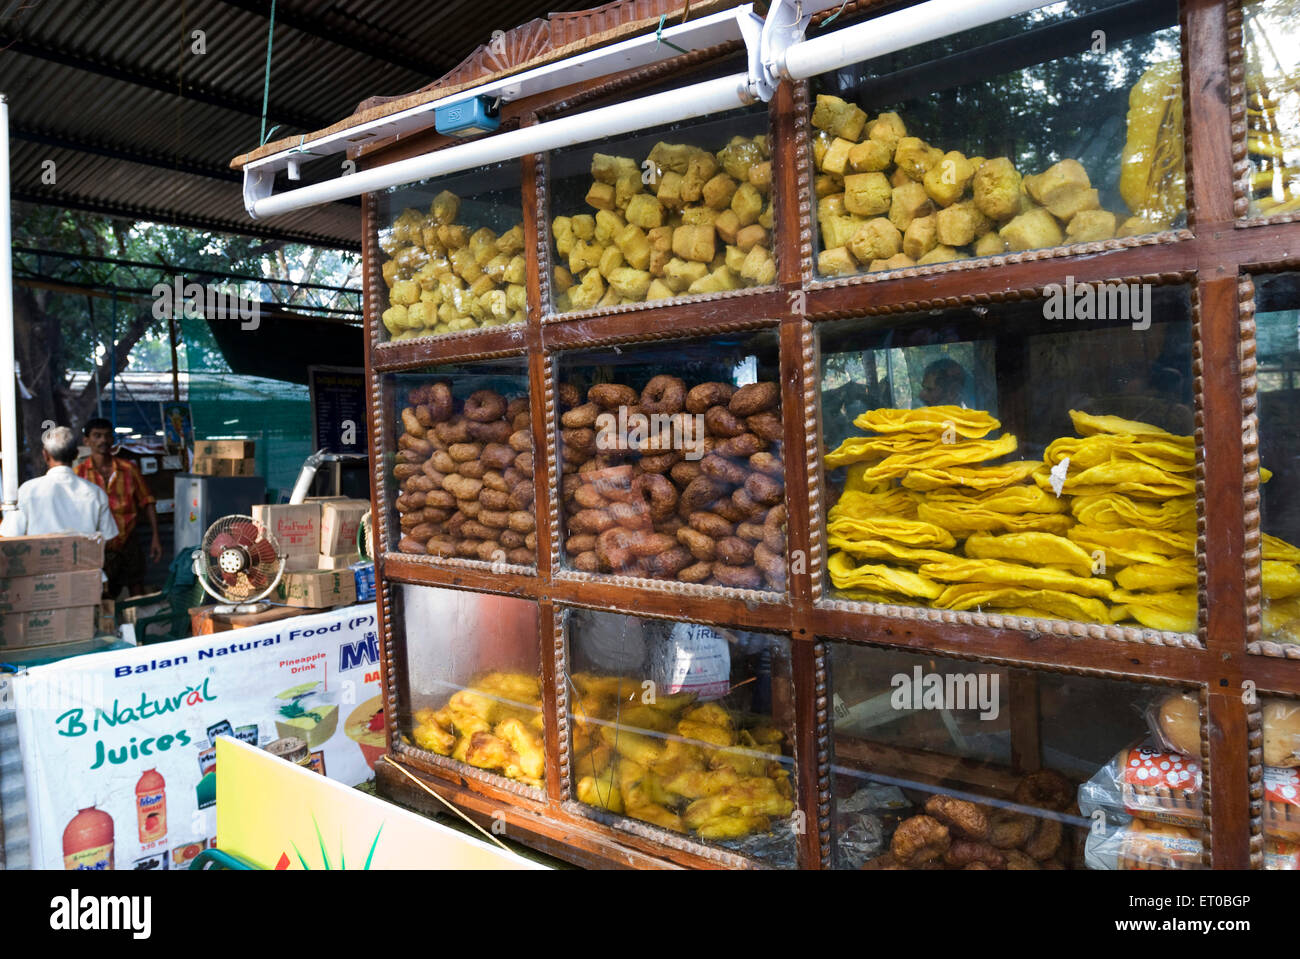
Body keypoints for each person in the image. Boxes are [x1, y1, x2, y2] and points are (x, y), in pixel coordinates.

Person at [75, 417, 162, 597]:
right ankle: (109, 625)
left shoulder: (129, 469)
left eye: (107, 436)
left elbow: (147, 501)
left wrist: (155, 536)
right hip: (97, 545)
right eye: (97, 436)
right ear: (86, 441)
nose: (103, 441)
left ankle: (137, 623)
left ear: (113, 439)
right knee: (103, 593)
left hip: (128, 539)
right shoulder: (79, 473)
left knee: (136, 588)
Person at [0, 426, 119, 540]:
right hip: (83, 560)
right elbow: (108, 536)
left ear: (45, 455)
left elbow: (10, 534)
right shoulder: (96, 492)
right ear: (76, 454)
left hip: (39, 559)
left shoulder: (28, 490)